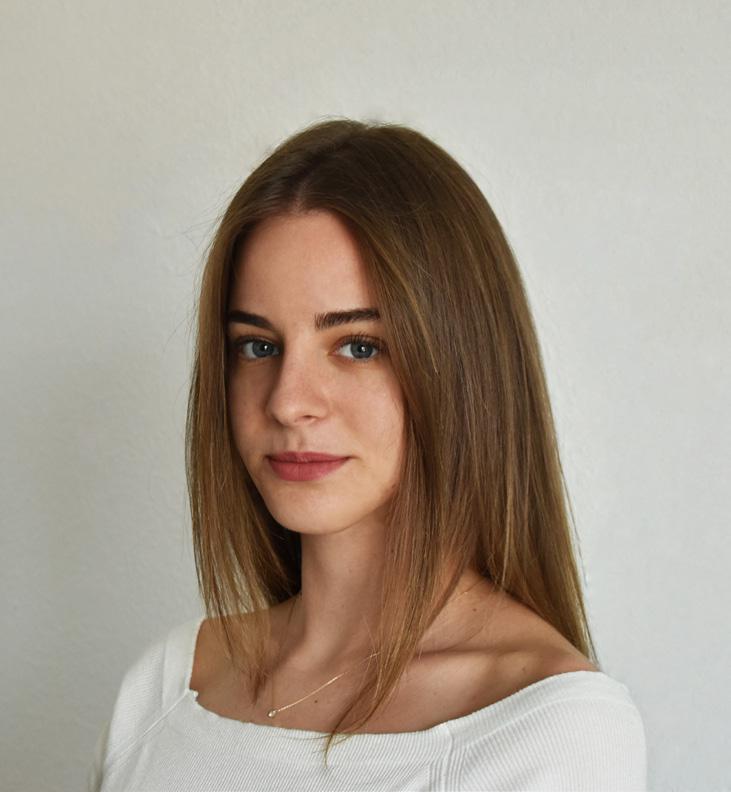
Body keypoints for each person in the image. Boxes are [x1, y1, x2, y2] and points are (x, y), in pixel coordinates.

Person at [87, 118, 647, 791]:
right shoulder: (166, 688)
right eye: (258, 346)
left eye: (357, 346)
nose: (288, 402)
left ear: (462, 366)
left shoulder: (549, 732)